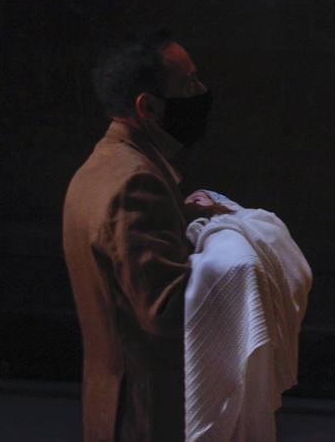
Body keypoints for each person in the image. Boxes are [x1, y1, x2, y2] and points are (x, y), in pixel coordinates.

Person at [63, 30, 220, 441]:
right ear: (148, 107)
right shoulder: (136, 183)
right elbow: (165, 309)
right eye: (189, 84)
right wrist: (237, 250)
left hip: (117, 401)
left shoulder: (105, 165)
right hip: (149, 412)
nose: (202, 93)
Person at [181, 189, 312, 442]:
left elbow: (295, 271)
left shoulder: (254, 221)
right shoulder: (205, 233)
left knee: (249, 386)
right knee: (237, 386)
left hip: (250, 295)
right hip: (233, 299)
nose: (195, 201)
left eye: (199, 196)